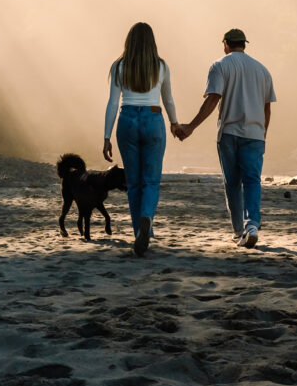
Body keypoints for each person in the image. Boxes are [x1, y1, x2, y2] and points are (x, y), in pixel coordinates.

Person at [178, 28, 276, 248]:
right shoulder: (263, 70)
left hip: (229, 133)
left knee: (233, 183)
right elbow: (266, 108)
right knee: (252, 180)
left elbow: (213, 100)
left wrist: (191, 127)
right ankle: (252, 225)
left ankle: (238, 231)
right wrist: (263, 134)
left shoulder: (220, 65)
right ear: (244, 44)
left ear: (226, 44)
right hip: (255, 134)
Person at [103, 22, 184, 257]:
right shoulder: (161, 66)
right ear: (152, 42)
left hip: (127, 120)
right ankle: (147, 219)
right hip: (153, 118)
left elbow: (112, 104)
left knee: (134, 182)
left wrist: (107, 136)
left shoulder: (119, 66)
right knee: (151, 181)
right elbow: (168, 99)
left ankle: (139, 230)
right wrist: (174, 123)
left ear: (129, 41)